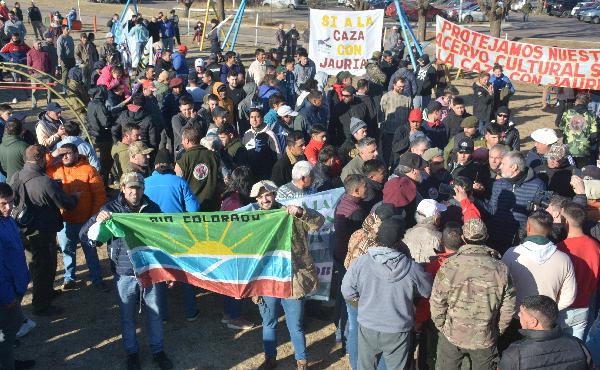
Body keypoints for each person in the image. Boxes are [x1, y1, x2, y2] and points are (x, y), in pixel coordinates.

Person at [83, 172, 173, 370]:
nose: (134, 191)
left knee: (156, 314)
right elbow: (86, 236)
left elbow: (164, 240)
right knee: (127, 316)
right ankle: (132, 353)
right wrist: (98, 221)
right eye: (130, 187)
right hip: (124, 273)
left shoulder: (153, 209)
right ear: (122, 188)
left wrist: (167, 269)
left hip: (151, 272)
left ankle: (158, 351)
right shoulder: (110, 210)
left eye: (138, 187)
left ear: (143, 189)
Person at [251, 180, 325, 370]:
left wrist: (300, 212)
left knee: (296, 325)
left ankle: (301, 361)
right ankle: (270, 359)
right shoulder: (253, 219)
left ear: (274, 195)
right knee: (269, 322)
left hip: (293, 278)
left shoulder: (290, 213)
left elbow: (319, 222)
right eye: (260, 197)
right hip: (267, 280)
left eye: (267, 195)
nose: (264, 199)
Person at [342, 214, 432, 370]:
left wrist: (363, 301)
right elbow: (427, 290)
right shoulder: (411, 268)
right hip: (398, 330)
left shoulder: (362, 262)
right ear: (400, 241)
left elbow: (347, 291)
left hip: (368, 325)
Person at [431, 218, 515, 370]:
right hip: (485, 337)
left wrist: (442, 326)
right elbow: (508, 307)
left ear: (463, 238)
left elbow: (437, 301)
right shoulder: (501, 268)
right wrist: (496, 331)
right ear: (486, 237)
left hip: (452, 334)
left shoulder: (449, 265)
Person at [10, 145, 77, 316]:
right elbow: (66, 204)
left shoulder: (16, 176)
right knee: (45, 266)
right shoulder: (44, 181)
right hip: (42, 230)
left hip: (24, 229)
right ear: (39, 159)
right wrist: (76, 197)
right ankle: (41, 305)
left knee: (35, 265)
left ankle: (45, 292)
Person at [501, 210, 577, 348]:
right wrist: (546, 312)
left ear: (528, 227)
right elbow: (569, 297)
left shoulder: (512, 254)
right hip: (546, 323)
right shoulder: (564, 259)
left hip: (516, 320)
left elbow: (501, 287)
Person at [46, 144, 106, 290]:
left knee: (90, 251)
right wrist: (53, 154)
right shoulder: (55, 170)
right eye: (62, 154)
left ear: (77, 154)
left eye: (68, 153)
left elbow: (99, 196)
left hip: (86, 221)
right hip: (64, 221)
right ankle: (69, 278)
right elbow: (42, 166)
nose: (64, 156)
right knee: (67, 251)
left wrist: (93, 218)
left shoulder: (89, 170)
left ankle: (96, 278)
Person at [498, 295, 593, 369]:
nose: (518, 315)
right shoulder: (579, 345)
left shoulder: (513, 355)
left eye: (522, 313)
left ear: (533, 322)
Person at [480, 151, 546, 253]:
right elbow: (492, 210)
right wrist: (472, 200)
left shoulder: (537, 186)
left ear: (514, 167)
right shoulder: (498, 184)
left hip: (519, 242)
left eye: (503, 164)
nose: (500, 167)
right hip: (495, 239)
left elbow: (538, 217)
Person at [0, 182, 36, 370]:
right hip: (5, 294)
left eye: (11, 203)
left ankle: (8, 361)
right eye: (3, 204)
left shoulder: (8, 220)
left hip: (16, 286)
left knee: (11, 329)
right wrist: (7, 298)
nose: (8, 208)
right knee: (6, 333)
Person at [332, 174, 368, 350]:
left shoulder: (342, 201)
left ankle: (339, 333)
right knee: (350, 299)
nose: (367, 190)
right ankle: (346, 338)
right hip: (348, 259)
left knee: (341, 295)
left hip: (339, 255)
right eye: (364, 188)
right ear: (356, 190)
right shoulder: (356, 212)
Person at [556, 202, 600, 340]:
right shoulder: (596, 247)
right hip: (585, 306)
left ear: (566, 222)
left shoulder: (559, 249)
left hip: (562, 308)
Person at [175, 126, 219, 211]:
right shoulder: (214, 156)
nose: (181, 142)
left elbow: (179, 185)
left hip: (191, 209)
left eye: (183, 140)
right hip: (212, 207)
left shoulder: (182, 160)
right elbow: (224, 178)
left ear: (187, 140)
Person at [380, 76, 412, 166]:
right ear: (394, 85)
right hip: (389, 133)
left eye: (403, 86)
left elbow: (410, 114)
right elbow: (381, 116)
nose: (401, 88)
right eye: (399, 86)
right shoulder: (386, 97)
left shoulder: (408, 98)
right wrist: (381, 131)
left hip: (402, 134)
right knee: (387, 156)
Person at [559, 94, 598, 167]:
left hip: (568, 148)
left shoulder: (567, 113)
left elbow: (561, 127)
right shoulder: (592, 115)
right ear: (587, 103)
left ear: (576, 101)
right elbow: (594, 135)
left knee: (569, 171)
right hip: (584, 150)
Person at [402, 199, 446, 264]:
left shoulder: (406, 234)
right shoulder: (439, 238)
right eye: (439, 213)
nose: (441, 215)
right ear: (436, 219)